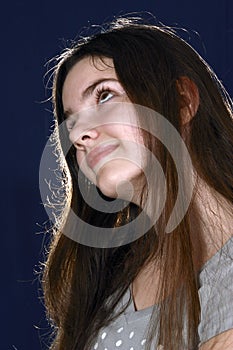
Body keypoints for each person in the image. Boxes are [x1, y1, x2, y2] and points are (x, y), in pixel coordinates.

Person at [42, 16, 233, 350]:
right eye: (71, 123)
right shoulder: (112, 274)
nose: (79, 135)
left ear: (182, 101)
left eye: (104, 96)